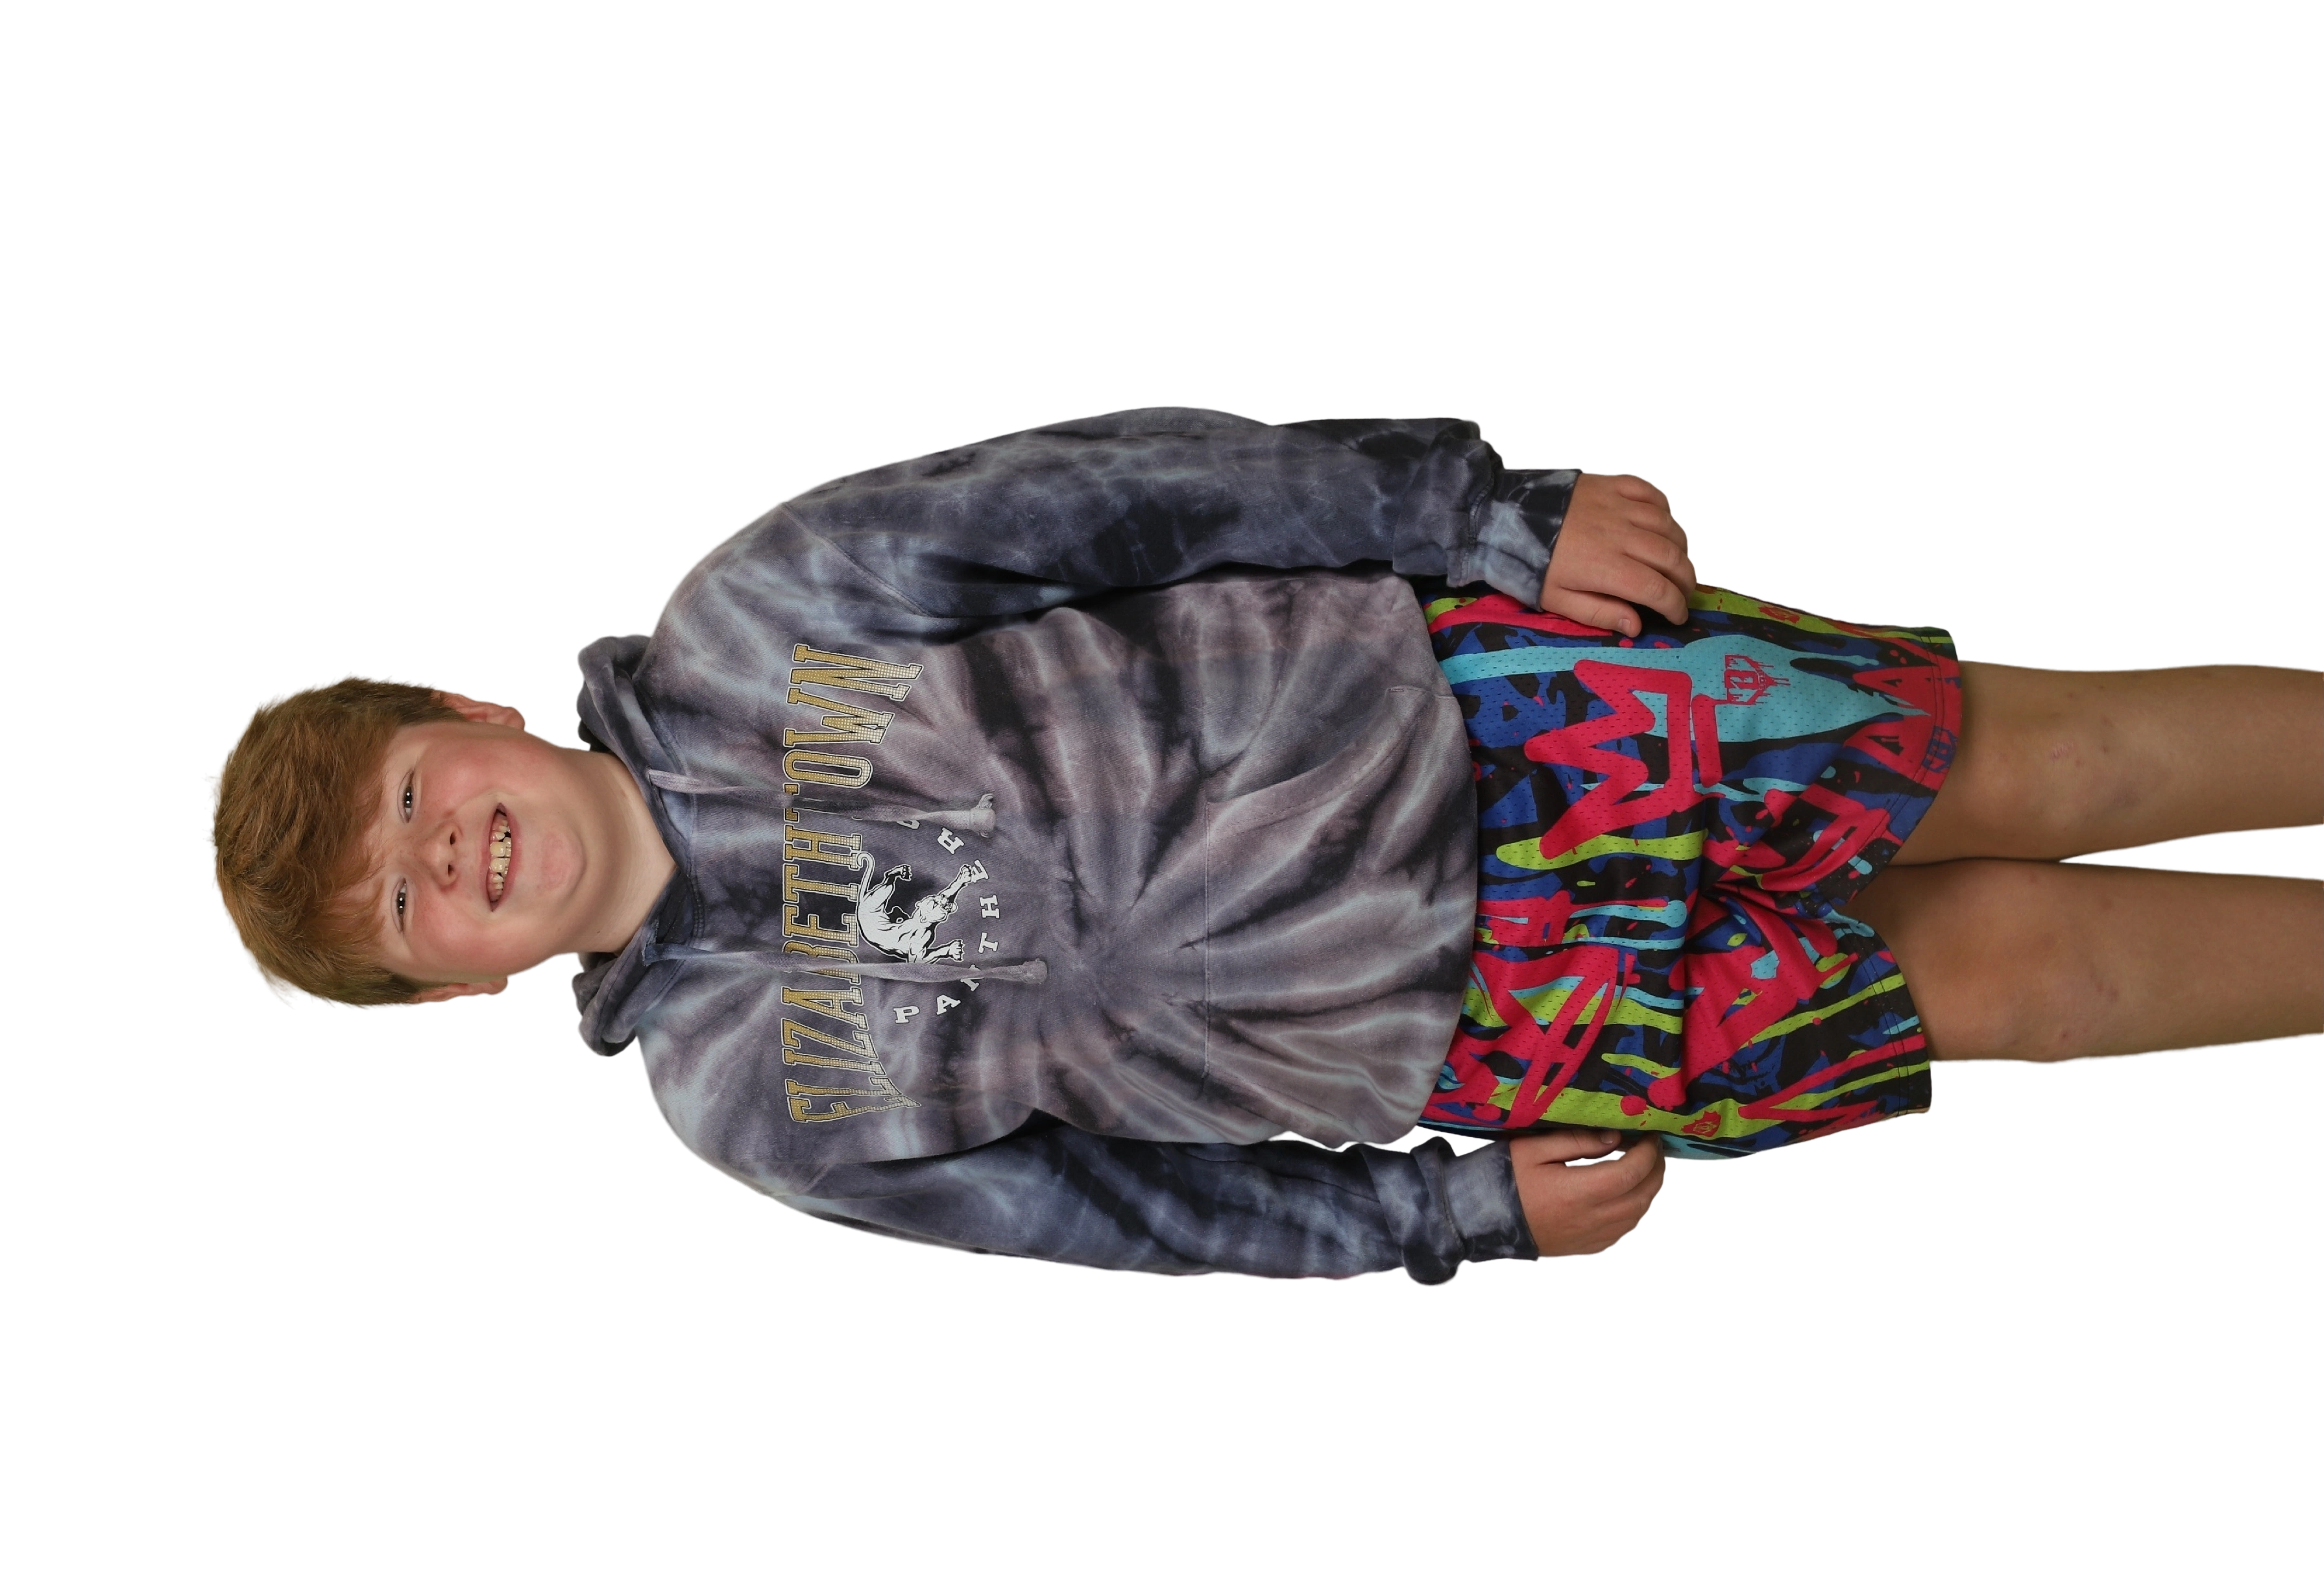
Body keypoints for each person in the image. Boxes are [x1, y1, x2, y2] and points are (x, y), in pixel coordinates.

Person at [199, 407, 2324, 1284]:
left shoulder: (763, 612)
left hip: (1504, 719)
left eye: (413, 803)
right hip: (1495, 1028)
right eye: (404, 914)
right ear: (454, 987)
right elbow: (1109, 1209)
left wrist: (1473, 513)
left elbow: (1127, 495)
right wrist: (1443, 1212)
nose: (449, 863)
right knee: (2035, 988)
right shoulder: (740, 1096)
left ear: (470, 716)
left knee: (2047, 764)